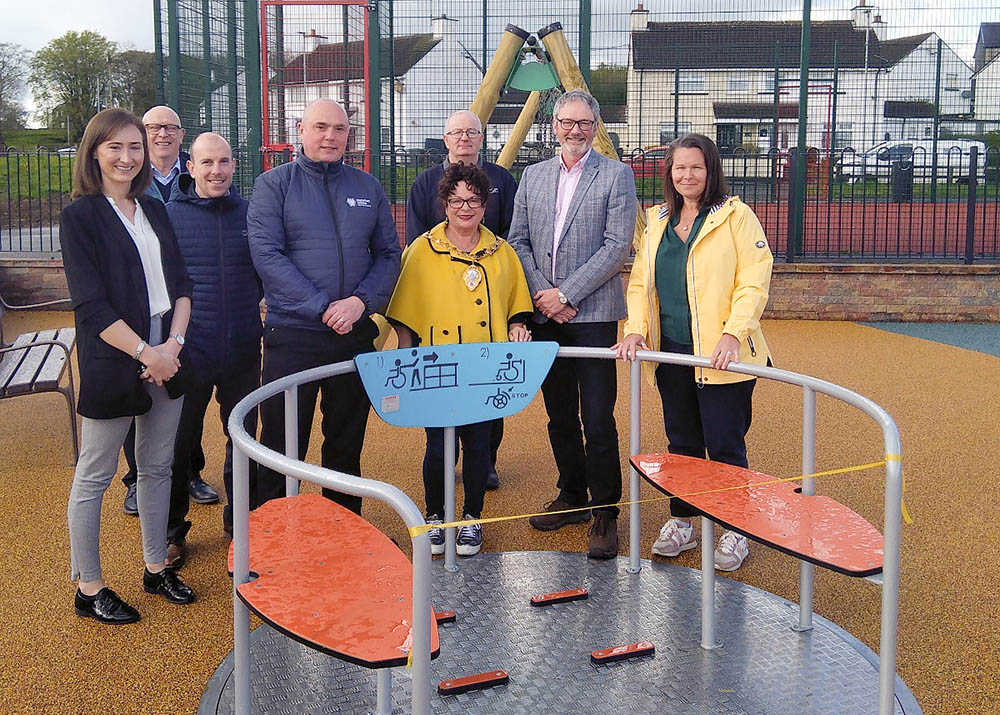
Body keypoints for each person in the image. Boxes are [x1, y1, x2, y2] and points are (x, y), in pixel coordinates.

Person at [613, 133, 773, 572]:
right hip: (672, 353)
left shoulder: (735, 216)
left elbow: (753, 280)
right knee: (681, 441)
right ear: (669, 172)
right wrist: (636, 332)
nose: (687, 175)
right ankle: (683, 520)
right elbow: (642, 283)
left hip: (722, 354)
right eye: (679, 167)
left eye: (696, 167)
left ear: (710, 170)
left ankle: (736, 528)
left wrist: (733, 333)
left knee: (724, 444)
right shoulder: (658, 220)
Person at [61, 108, 196, 625]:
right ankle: (89, 586)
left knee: (160, 465)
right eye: (114, 146)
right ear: (94, 151)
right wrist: (148, 353)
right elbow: (91, 306)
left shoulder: (153, 209)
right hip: (117, 355)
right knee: (95, 474)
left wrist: (173, 346)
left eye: (135, 146)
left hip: (168, 349)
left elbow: (183, 285)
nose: (126, 156)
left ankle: (155, 566)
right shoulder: (81, 216)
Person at [248, 98, 400, 513]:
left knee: (346, 445)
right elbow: (267, 255)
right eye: (320, 127)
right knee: (281, 443)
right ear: (300, 130)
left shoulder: (366, 186)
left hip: (353, 335)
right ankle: (269, 537)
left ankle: (346, 531)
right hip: (293, 336)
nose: (330, 136)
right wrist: (321, 307)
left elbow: (389, 254)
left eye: (339, 129)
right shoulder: (273, 185)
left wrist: (359, 303)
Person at [507, 89, 636, 559]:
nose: (575, 130)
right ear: (554, 125)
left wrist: (566, 294)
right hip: (545, 313)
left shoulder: (616, 175)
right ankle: (573, 494)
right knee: (559, 413)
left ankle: (605, 511)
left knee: (597, 417)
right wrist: (545, 294)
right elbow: (516, 239)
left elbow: (616, 244)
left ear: (595, 125)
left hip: (593, 313)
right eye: (566, 121)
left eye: (584, 122)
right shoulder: (533, 176)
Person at [387, 163, 533, 556]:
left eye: (473, 200)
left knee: (478, 444)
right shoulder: (422, 249)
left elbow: (516, 303)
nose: (464, 208)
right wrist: (405, 354)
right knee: (438, 445)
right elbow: (403, 311)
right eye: (456, 201)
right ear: (445, 204)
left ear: (485, 205)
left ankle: (471, 518)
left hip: (484, 367)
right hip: (438, 365)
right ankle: (435, 517)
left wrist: (518, 325)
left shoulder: (502, 253)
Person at [406, 110, 519, 490]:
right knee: (440, 403)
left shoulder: (503, 179)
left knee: (489, 393)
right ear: (445, 138)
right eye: (457, 132)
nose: (465, 138)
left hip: (488, 297)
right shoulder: (425, 182)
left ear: (482, 138)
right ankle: (443, 472)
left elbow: (511, 234)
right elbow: (416, 243)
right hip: (442, 306)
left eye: (472, 132)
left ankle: (486, 461)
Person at [163, 132, 262, 564]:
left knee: (241, 439)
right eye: (206, 163)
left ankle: (239, 527)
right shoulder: (168, 216)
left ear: (234, 165)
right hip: (191, 347)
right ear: (191, 167)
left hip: (242, 343)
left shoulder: (251, 213)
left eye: (223, 162)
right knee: (178, 442)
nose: (216, 171)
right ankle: (171, 532)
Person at [120, 105, 217, 517]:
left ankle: (190, 470)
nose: (162, 134)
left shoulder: (194, 175)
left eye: (170, 128)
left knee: (183, 391)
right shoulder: (129, 180)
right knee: (134, 388)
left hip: (181, 301)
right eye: (153, 127)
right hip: (138, 303)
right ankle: (135, 479)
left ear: (181, 137)